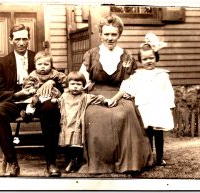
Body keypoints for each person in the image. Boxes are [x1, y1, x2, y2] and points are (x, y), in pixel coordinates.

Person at [78, 14, 153, 174]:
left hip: (120, 93)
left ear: (119, 34)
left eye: (114, 34)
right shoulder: (91, 54)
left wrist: (116, 97)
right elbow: (82, 77)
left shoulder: (126, 56)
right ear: (100, 35)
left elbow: (129, 81)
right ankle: (100, 163)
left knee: (125, 113)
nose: (110, 38)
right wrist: (84, 88)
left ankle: (129, 163)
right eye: (106, 34)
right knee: (94, 114)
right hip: (96, 93)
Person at [0, 24, 62, 177]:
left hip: (40, 100)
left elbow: (58, 78)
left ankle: (51, 162)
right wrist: (17, 94)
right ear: (10, 40)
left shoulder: (40, 58)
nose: (21, 43)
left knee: (51, 108)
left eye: (24, 39)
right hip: (16, 102)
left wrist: (51, 82)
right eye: (17, 39)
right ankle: (12, 162)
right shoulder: (1, 63)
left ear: (29, 39)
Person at [110, 36, 175, 166]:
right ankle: (148, 157)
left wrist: (170, 104)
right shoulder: (138, 75)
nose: (148, 61)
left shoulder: (162, 75)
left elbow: (168, 91)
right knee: (147, 134)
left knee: (158, 133)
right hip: (145, 107)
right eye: (145, 59)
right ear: (140, 61)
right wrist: (129, 94)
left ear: (156, 58)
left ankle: (160, 158)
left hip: (158, 107)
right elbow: (131, 87)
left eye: (151, 58)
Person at [57, 71, 106, 173]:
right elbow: (58, 102)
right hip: (66, 123)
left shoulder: (85, 96)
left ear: (83, 86)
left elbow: (97, 99)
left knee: (76, 143)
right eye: (73, 84)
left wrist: (102, 99)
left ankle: (75, 161)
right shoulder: (64, 96)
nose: (75, 87)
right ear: (68, 85)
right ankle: (70, 160)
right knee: (67, 143)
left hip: (77, 124)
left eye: (78, 84)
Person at [19, 50, 67, 118]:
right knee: (33, 100)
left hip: (52, 96)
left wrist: (65, 88)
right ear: (35, 65)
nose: (43, 66)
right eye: (39, 64)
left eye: (46, 64)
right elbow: (27, 84)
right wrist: (31, 89)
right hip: (38, 96)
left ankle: (31, 112)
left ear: (51, 66)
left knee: (54, 102)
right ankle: (29, 113)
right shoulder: (33, 75)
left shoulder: (54, 73)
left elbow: (64, 80)